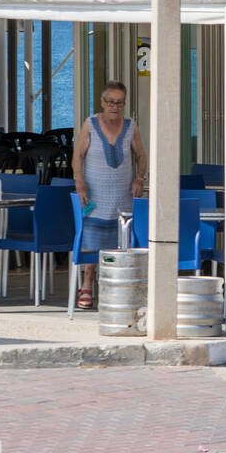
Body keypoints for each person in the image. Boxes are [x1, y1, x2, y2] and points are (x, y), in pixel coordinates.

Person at [71, 80, 147, 309]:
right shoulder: (91, 124)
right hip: (95, 192)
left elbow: (141, 155)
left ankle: (117, 286)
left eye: (119, 103)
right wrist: (80, 182)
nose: (114, 106)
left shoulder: (131, 126)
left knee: (121, 239)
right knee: (93, 240)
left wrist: (139, 178)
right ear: (102, 102)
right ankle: (87, 283)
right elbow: (78, 156)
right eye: (110, 102)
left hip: (122, 193)